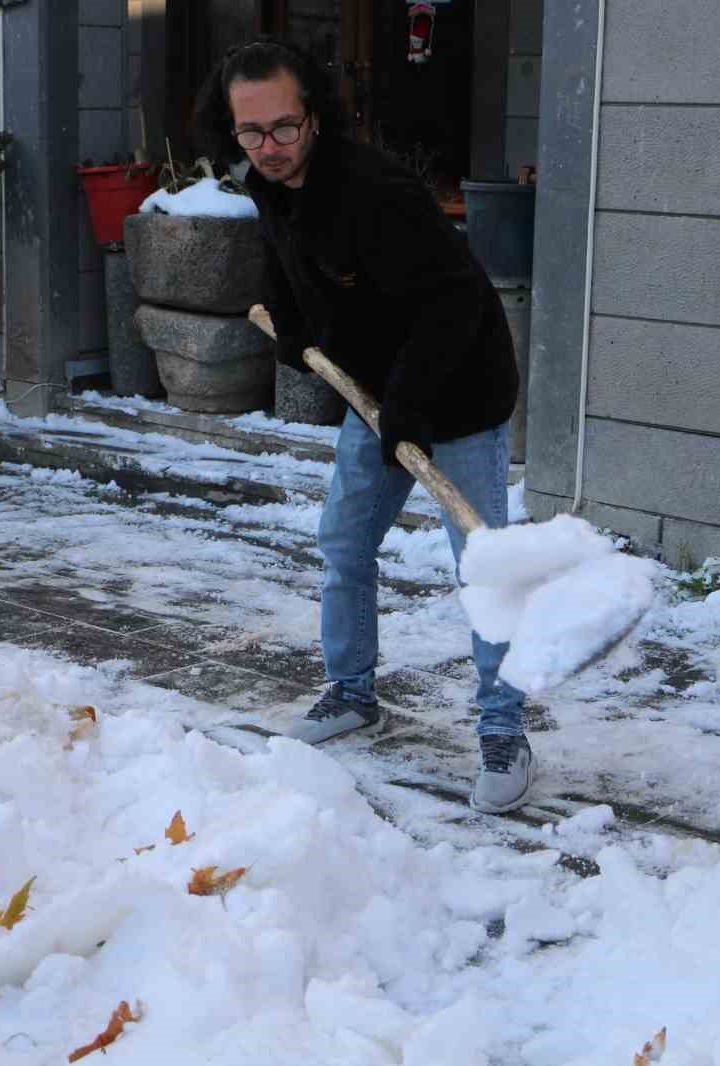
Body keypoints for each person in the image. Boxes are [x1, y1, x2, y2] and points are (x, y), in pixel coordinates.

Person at [194, 39, 531, 813]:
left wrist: (411, 401)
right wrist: (286, 316)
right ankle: (351, 693)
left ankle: (503, 731)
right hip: (379, 396)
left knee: (484, 570)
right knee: (345, 545)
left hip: (463, 394)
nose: (269, 148)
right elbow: (284, 253)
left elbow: (451, 304)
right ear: (232, 129)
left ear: (313, 114)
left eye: (284, 127)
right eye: (252, 132)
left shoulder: (376, 191)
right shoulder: (266, 183)